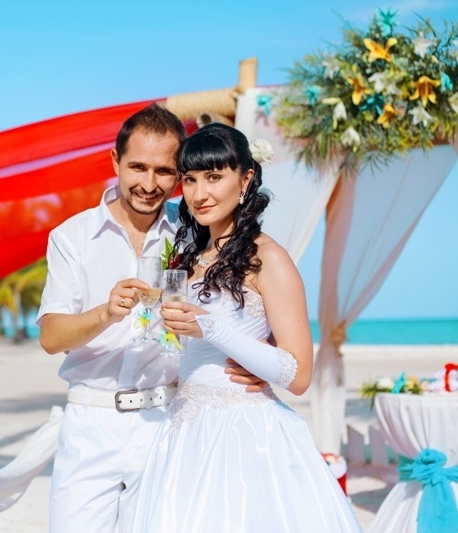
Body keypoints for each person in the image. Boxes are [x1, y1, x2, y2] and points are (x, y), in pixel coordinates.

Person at [37, 104, 262, 533]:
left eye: (164, 171)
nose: (149, 183)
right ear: (115, 161)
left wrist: (260, 358)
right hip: (91, 423)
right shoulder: (72, 237)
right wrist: (105, 313)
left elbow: (247, 294)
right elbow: (50, 337)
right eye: (138, 167)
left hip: (169, 418)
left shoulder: (195, 231)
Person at [131, 123, 362, 532]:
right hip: (184, 433)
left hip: (245, 436)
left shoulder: (269, 259)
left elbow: (298, 375)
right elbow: (182, 348)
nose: (199, 194)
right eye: (190, 179)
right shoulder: (188, 259)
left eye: (214, 177)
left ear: (245, 178)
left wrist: (213, 330)